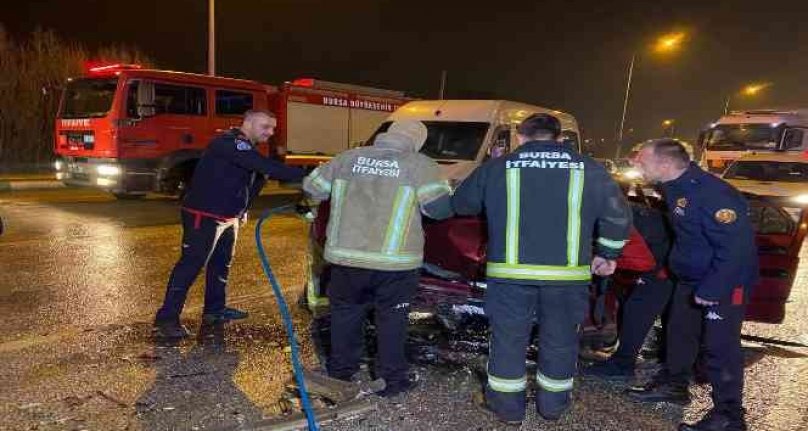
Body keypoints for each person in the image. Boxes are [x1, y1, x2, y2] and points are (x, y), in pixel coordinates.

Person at [452, 114, 631, 424]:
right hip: (567, 279)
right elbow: (617, 216)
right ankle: (552, 408)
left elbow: (461, 205)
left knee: (508, 340)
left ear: (520, 137)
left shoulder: (497, 167)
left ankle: (507, 409)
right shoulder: (590, 169)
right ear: (559, 138)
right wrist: (608, 253)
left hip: (510, 277)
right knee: (561, 340)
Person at [302, 120, 453, 397]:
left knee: (345, 315)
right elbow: (439, 210)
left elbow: (312, 189)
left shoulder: (347, 158)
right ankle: (391, 381)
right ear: (417, 141)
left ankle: (341, 373)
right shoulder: (420, 165)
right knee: (391, 320)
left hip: (346, 261)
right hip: (394, 264)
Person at [628, 139, 757, 431]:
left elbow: (735, 250)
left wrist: (713, 290)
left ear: (664, 164)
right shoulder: (675, 187)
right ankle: (674, 384)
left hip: (723, 282)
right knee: (679, 332)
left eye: (643, 160)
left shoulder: (714, 195)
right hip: (691, 279)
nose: (637, 165)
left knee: (719, 348)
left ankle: (729, 417)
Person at [154, 110, 305, 339]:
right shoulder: (228, 143)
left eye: (273, 128)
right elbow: (266, 167)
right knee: (191, 266)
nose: (270, 133)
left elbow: (251, 182)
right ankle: (166, 319)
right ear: (248, 123)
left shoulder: (248, 148)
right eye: (266, 127)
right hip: (204, 214)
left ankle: (215, 311)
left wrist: (242, 211)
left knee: (220, 265)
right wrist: (312, 176)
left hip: (228, 217)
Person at [584, 187, 675, 380]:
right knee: (638, 306)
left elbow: (639, 258)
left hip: (663, 263)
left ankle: (623, 365)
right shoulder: (615, 213)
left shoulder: (618, 222)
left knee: (638, 308)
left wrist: (604, 263)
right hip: (661, 255)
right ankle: (665, 355)